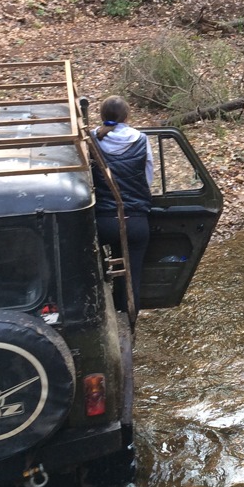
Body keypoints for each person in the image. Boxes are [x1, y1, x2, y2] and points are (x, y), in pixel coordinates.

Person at [92, 95, 153, 321]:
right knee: (132, 277)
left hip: (103, 222)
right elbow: (148, 178)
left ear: (101, 116)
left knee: (96, 276)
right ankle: (129, 326)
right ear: (127, 116)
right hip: (135, 221)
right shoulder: (141, 139)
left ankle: (103, 321)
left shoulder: (92, 139)